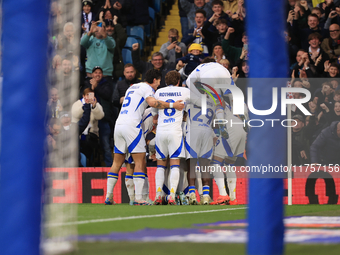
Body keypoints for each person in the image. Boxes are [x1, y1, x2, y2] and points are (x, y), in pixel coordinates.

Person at [105, 69, 185, 205]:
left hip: (119, 124)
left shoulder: (132, 87)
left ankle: (109, 196)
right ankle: (139, 198)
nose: (157, 86)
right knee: (140, 161)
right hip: (132, 126)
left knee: (117, 162)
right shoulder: (147, 88)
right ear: (154, 80)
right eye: (158, 83)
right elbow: (153, 103)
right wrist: (173, 105)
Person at [153, 71, 192, 205]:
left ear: (165, 81)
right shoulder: (185, 91)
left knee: (160, 165)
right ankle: (171, 196)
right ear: (178, 81)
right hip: (175, 131)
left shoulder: (158, 92)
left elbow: (154, 113)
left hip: (161, 131)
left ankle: (158, 194)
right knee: (175, 164)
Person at [83, 66, 114, 167]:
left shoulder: (107, 84)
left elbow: (107, 95)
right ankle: (90, 166)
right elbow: (84, 95)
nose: (97, 74)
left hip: (104, 120)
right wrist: (92, 88)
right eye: (95, 72)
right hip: (90, 121)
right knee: (90, 145)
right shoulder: (86, 83)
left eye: (99, 73)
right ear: (92, 74)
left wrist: (96, 87)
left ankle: (110, 167)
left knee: (106, 145)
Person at [71, 88, 104, 165]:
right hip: (77, 134)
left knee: (89, 144)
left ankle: (88, 163)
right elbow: (74, 114)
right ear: (83, 96)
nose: (89, 97)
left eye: (91, 95)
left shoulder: (96, 104)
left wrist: (94, 106)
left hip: (91, 134)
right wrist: (85, 106)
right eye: (87, 95)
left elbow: (100, 116)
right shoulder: (77, 104)